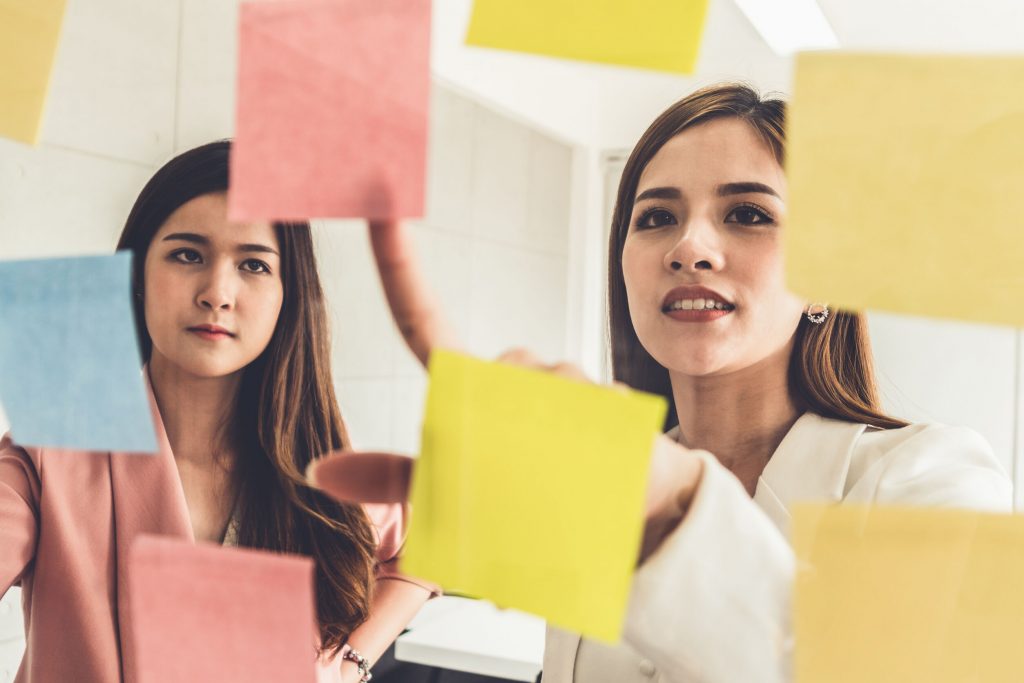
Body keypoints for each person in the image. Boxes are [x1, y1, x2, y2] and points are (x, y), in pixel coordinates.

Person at [320, 84, 1012, 683]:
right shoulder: (587, 500)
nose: (689, 247)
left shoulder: (931, 481)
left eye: (748, 213)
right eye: (655, 218)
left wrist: (673, 513)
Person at [0, 141, 433, 683]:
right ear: (136, 276)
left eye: (253, 264)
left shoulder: (322, 466)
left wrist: (352, 661)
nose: (217, 293)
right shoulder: (49, 454)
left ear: (287, 295)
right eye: (187, 255)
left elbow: (429, 544)